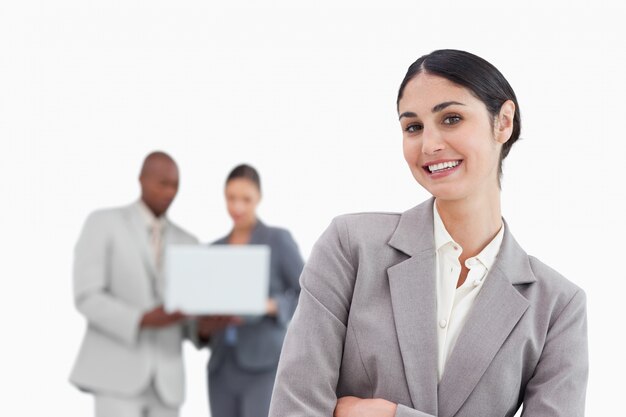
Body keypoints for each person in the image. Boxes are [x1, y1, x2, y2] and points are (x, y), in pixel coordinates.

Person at [269, 50, 588, 417]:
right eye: (413, 127)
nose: (429, 145)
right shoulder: (351, 247)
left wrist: (391, 415)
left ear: (503, 122)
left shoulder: (558, 306)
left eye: (451, 119)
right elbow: (294, 406)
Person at [69, 151, 198, 417]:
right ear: (142, 179)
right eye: (163, 183)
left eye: (175, 185)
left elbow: (189, 317)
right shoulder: (103, 223)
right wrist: (141, 319)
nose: (170, 192)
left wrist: (205, 329)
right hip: (115, 376)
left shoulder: (189, 242)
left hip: (167, 383)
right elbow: (87, 295)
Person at [197, 164, 304, 417]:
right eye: (231, 198)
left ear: (259, 198)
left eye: (246, 199)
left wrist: (270, 305)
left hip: (263, 364)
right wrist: (204, 325)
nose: (237, 207)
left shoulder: (276, 240)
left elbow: (307, 293)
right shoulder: (214, 250)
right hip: (221, 365)